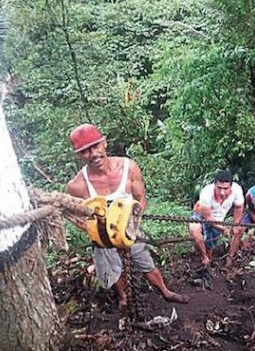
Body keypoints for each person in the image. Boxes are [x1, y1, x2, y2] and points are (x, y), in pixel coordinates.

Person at [66, 123, 189, 307]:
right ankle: (123, 297)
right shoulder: (77, 185)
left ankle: (165, 291)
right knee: (113, 270)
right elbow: (75, 215)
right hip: (102, 237)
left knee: (146, 263)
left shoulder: (128, 167)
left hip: (129, 227)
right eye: (85, 151)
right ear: (79, 155)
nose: (93, 154)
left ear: (104, 143)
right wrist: (94, 230)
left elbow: (140, 198)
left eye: (95, 146)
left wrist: (132, 225)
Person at [188, 169, 244, 268]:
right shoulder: (206, 193)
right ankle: (204, 256)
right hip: (201, 214)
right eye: (219, 188)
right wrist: (224, 229)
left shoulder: (237, 190)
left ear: (231, 186)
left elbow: (239, 207)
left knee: (210, 243)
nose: (222, 192)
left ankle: (209, 256)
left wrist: (236, 223)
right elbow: (208, 218)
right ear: (214, 185)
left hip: (218, 217)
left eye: (226, 188)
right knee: (195, 230)